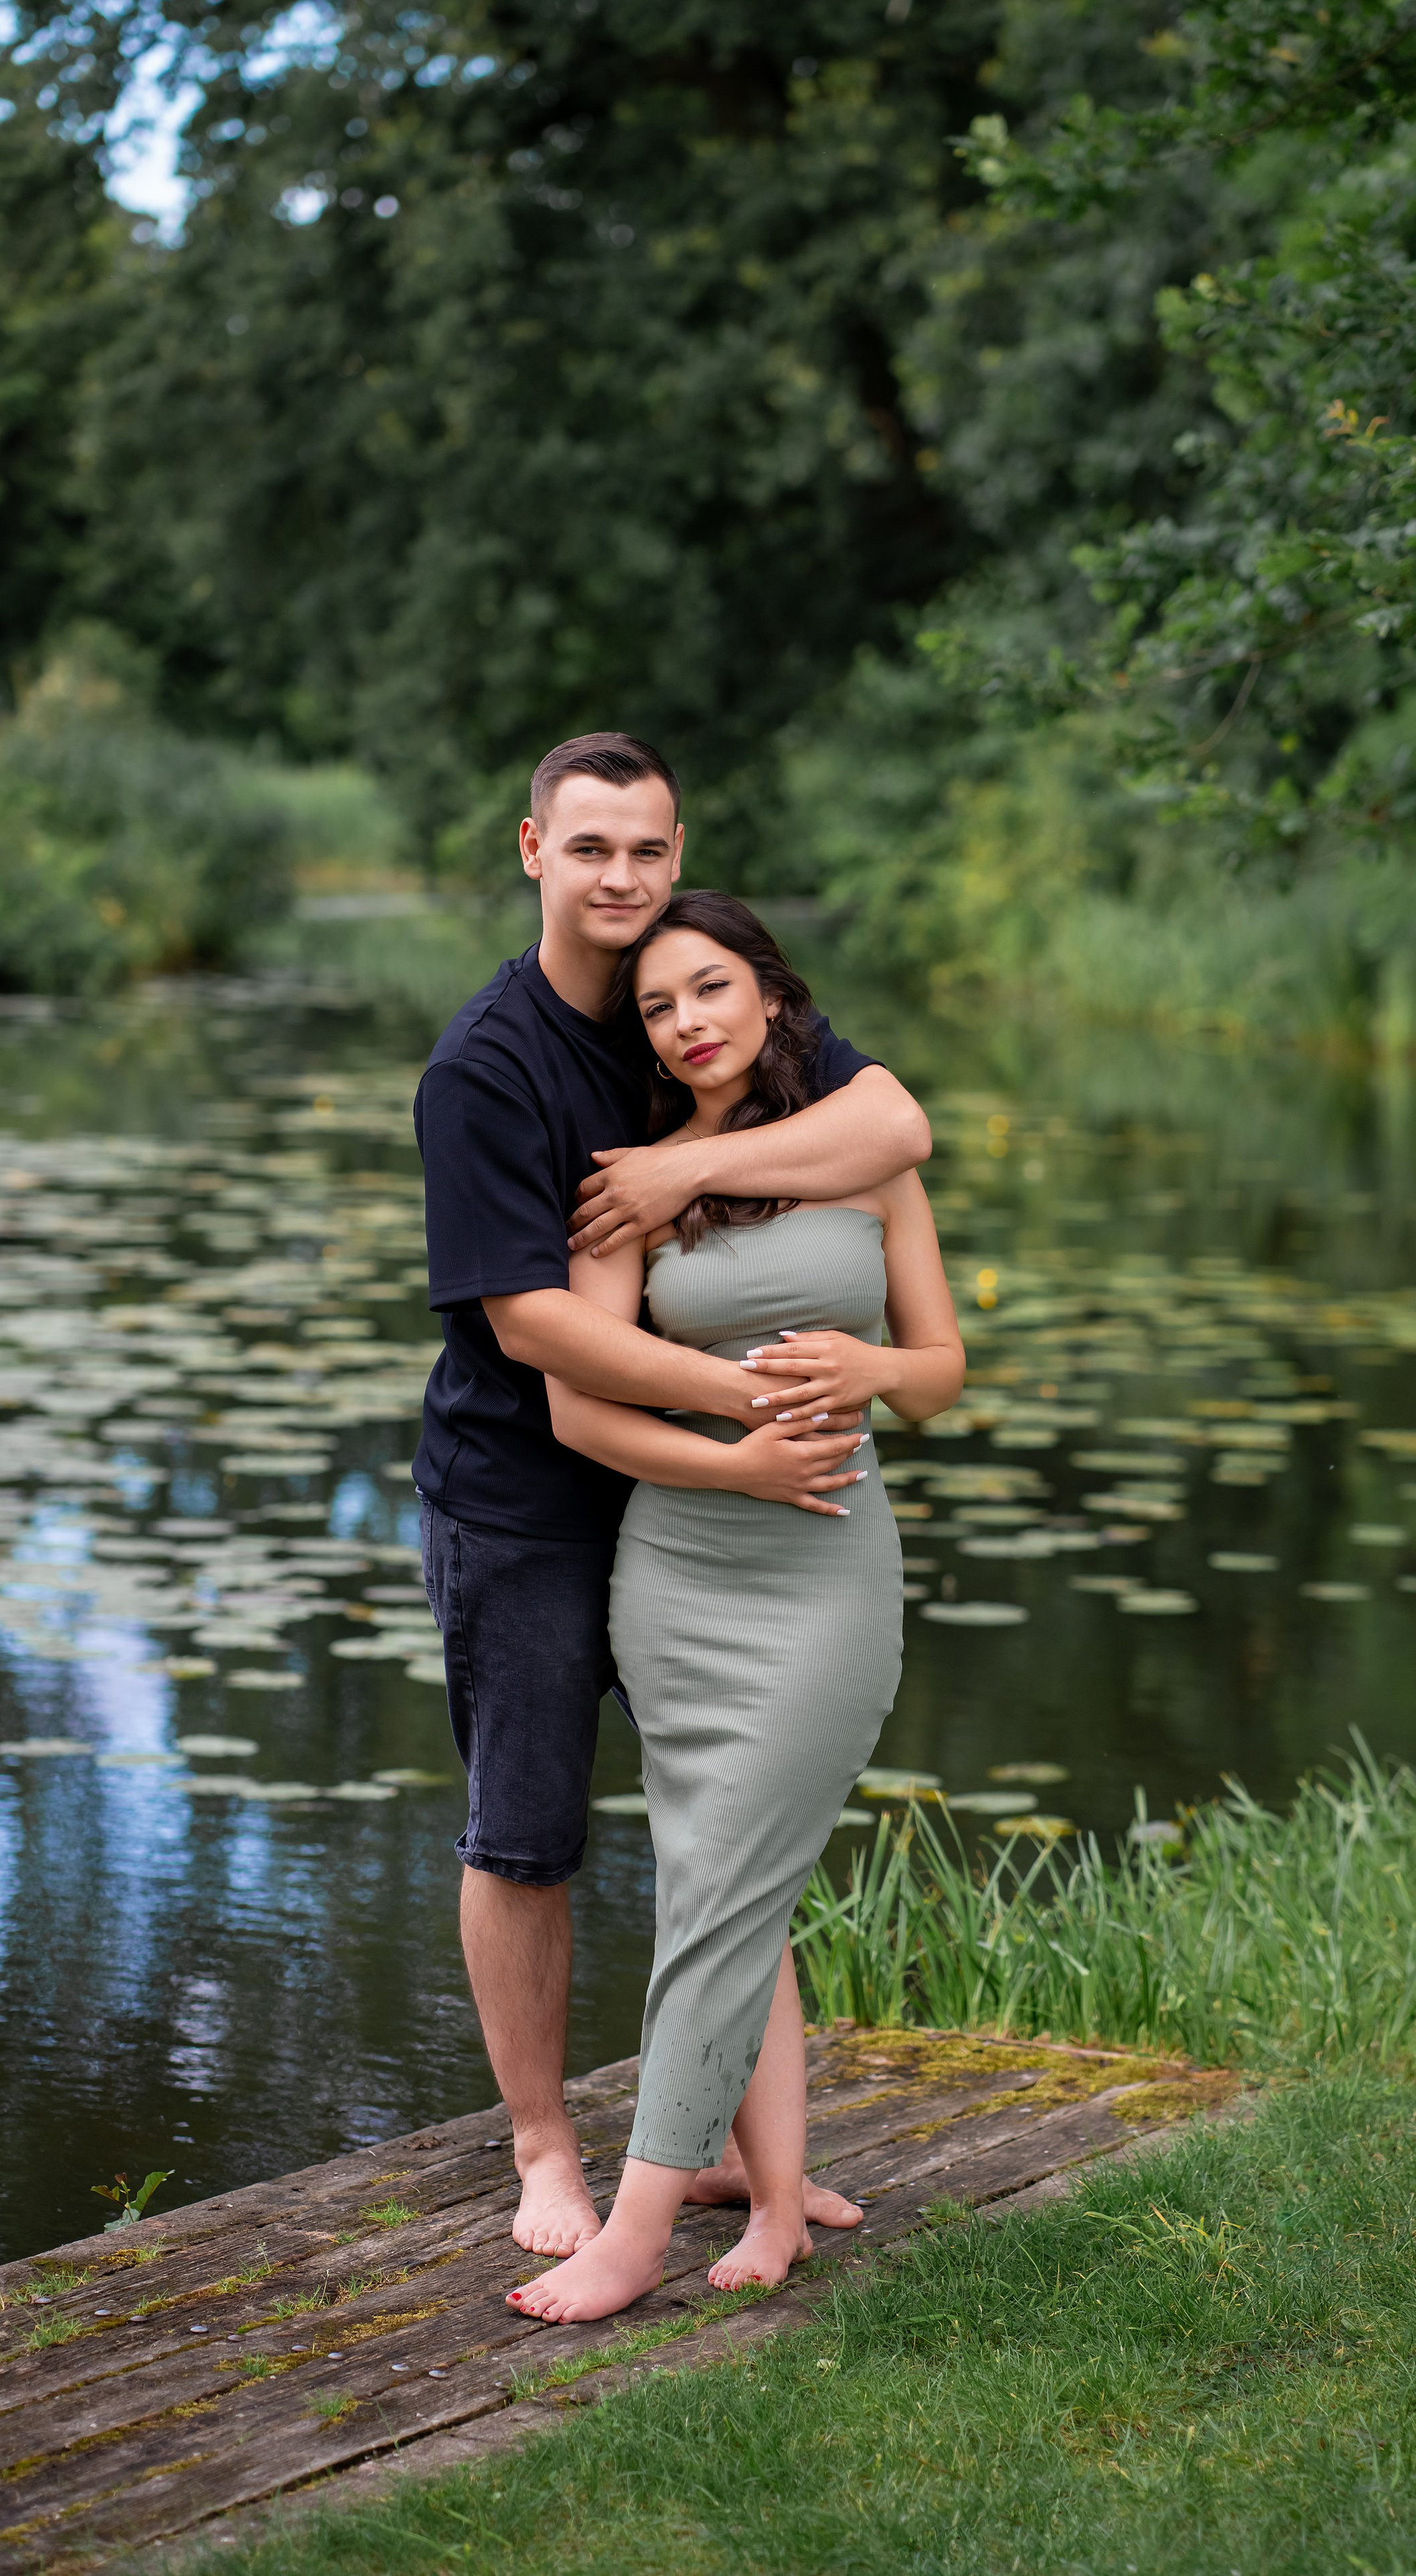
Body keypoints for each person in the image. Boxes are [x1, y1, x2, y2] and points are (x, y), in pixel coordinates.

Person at [414, 732, 932, 2262]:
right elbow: (533, 1325)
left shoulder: (688, 1003)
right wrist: (751, 1398)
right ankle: (543, 2151)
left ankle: (745, 2169)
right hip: (526, 1493)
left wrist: (677, 1178)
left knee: (729, 1830)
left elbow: (892, 1128)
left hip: (686, 1508)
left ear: (677, 847)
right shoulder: (486, 1067)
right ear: (532, 852)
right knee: (525, 1832)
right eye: (590, 850)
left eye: (645, 848)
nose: (622, 879)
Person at [509, 891, 965, 2323]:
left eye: (710, 989)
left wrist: (866, 1368)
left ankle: (636, 2228)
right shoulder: (629, 1183)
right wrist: (732, 1454)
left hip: (827, 1563)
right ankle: (774, 2202)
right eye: (656, 1006)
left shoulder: (858, 1155)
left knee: (723, 1887)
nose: (688, 1021)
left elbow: (941, 1363)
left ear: (768, 995)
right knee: (724, 1887)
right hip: (679, 1568)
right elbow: (579, 1410)